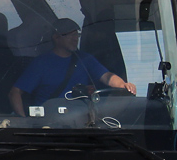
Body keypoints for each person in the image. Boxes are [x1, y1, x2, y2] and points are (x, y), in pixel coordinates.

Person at [8, 18, 137, 116]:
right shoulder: (41, 63)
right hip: (48, 124)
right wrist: (24, 122)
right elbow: (15, 93)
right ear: (56, 38)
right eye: (70, 35)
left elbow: (107, 77)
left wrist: (123, 85)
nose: (75, 38)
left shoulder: (85, 59)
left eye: (76, 34)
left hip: (81, 123)